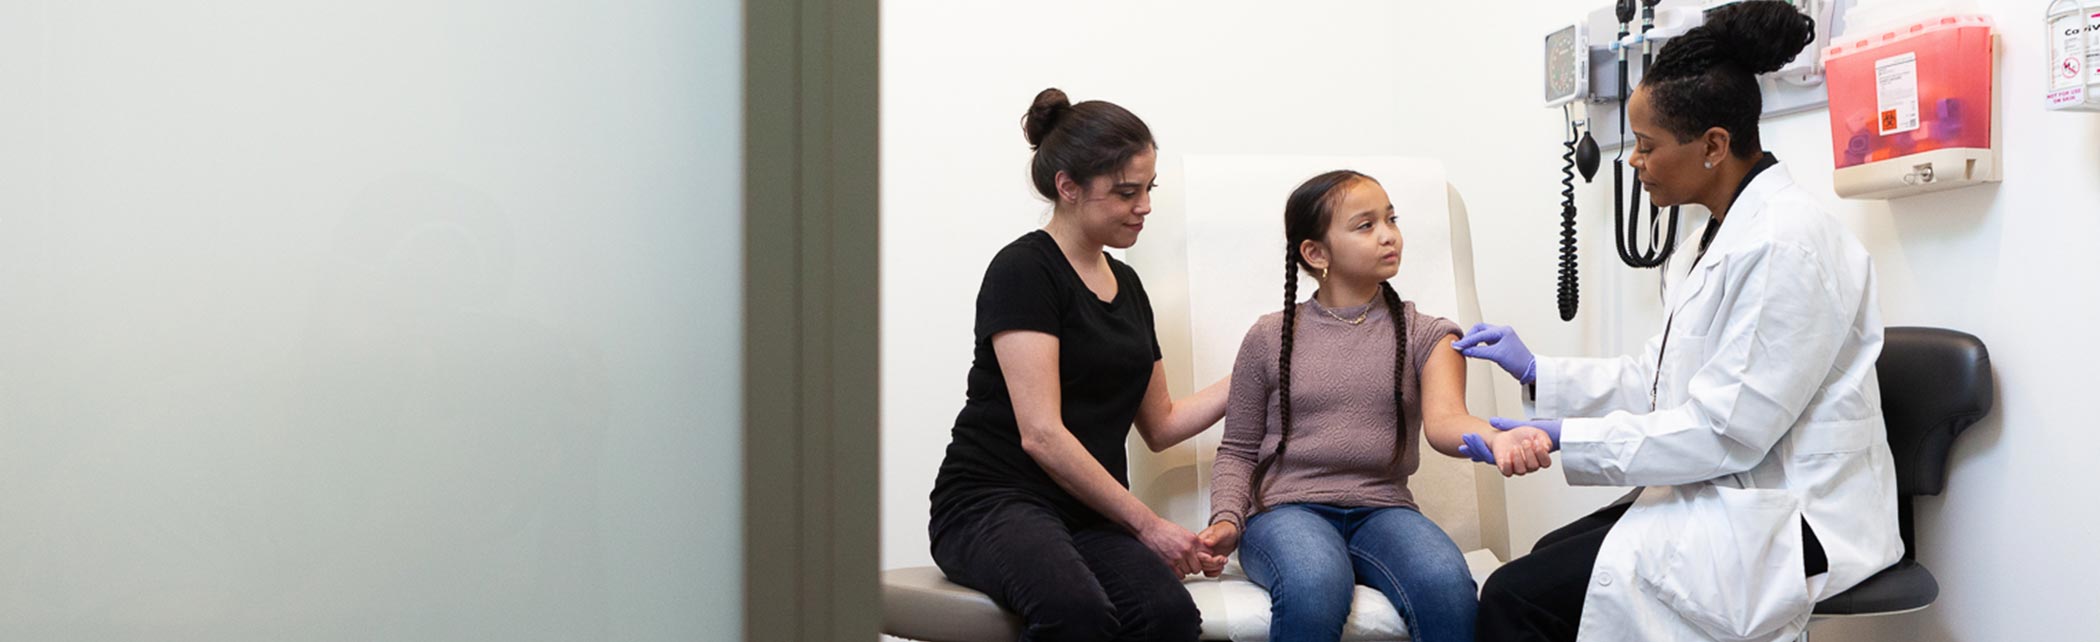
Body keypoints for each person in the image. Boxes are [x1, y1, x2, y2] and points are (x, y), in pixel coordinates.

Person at [1456, 3, 1902, 641]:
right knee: (1546, 559)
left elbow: (1724, 431)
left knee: (1516, 597)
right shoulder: (1706, 239)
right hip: (1726, 488)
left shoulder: (1785, 245)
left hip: (1794, 514)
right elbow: (1659, 379)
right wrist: (1538, 373)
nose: (1633, 162)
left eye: (1646, 145)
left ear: (1714, 145)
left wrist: (1564, 439)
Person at [927, 88, 1231, 642]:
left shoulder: (1129, 285)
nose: (1145, 206)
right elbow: (1042, 435)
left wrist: (1256, 372)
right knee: (1076, 612)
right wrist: (1149, 525)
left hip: (1085, 514)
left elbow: (1161, 424)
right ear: (1068, 187)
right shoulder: (1024, 270)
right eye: (1126, 192)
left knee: (1169, 617)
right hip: (992, 502)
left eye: (1149, 188)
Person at [1195, 170, 1551, 642]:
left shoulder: (1428, 333)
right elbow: (1238, 449)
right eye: (1365, 225)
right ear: (1315, 253)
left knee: (1446, 586)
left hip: (1383, 510)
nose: (1388, 235)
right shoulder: (1268, 335)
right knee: (1315, 583)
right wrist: (1226, 519)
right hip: (1284, 511)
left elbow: (1447, 421)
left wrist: (1496, 437)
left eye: (1391, 219)